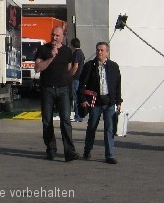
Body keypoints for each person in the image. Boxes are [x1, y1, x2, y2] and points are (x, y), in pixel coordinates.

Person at [34, 26, 80, 162]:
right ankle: (51, 149)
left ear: (62, 37)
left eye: (57, 36)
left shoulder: (67, 51)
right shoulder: (43, 50)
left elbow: (69, 69)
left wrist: (68, 84)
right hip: (47, 89)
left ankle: (69, 151)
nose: (54, 38)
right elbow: (37, 68)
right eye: (53, 35)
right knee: (47, 120)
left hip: (63, 89)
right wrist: (50, 58)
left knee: (65, 120)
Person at [77, 41, 122, 164]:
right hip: (95, 102)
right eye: (98, 50)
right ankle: (87, 150)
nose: (99, 52)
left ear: (107, 52)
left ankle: (110, 155)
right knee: (92, 126)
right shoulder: (89, 66)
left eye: (102, 50)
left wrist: (118, 101)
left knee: (109, 128)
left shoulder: (114, 67)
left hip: (109, 102)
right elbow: (82, 84)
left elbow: (117, 85)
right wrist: (83, 99)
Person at [70, 38, 85, 122]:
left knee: (75, 97)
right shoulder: (81, 53)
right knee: (78, 97)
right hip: (80, 78)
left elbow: (75, 66)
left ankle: (78, 116)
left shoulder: (76, 53)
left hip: (75, 78)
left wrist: (70, 75)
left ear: (72, 45)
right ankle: (78, 115)